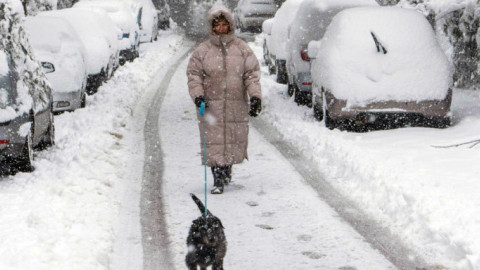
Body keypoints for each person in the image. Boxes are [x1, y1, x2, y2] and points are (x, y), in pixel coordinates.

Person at [187, 6, 262, 194]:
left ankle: (226, 170)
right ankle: (217, 179)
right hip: (211, 105)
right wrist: (198, 96)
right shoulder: (202, 51)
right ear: (212, 27)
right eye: (217, 25)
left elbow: (251, 74)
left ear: (231, 25)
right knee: (215, 141)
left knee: (231, 139)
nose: (221, 28)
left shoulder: (242, 49)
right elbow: (194, 75)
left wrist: (255, 97)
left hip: (236, 104)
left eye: (224, 24)